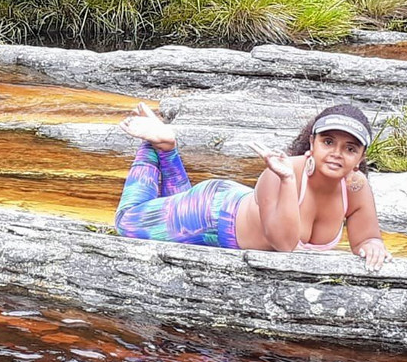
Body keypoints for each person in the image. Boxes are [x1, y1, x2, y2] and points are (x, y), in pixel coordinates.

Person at [114, 102, 391, 271]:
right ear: (312, 143)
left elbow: (366, 240)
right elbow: (283, 245)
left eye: (350, 148)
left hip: (228, 206)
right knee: (127, 224)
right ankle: (157, 143)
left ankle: (166, 148)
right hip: (209, 215)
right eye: (328, 142)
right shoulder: (280, 173)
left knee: (170, 206)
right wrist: (286, 180)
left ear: (360, 157)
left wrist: (373, 246)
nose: (336, 153)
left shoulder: (355, 187)